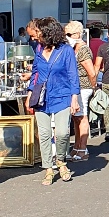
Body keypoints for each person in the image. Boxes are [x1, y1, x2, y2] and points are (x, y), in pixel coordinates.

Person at [29, 16, 79, 185]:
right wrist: (31, 91)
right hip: (42, 96)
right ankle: (48, 169)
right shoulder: (38, 48)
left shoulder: (65, 50)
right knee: (44, 134)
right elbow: (35, 71)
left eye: (39, 31)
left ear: (48, 32)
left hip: (62, 95)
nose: (36, 35)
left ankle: (61, 162)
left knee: (62, 133)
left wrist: (75, 98)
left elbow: (73, 74)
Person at [65, 20, 98, 161]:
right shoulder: (74, 48)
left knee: (82, 117)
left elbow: (91, 72)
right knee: (77, 117)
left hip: (84, 87)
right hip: (76, 87)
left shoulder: (83, 49)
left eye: (69, 34)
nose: (66, 36)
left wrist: (93, 86)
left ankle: (83, 149)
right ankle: (77, 147)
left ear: (78, 34)